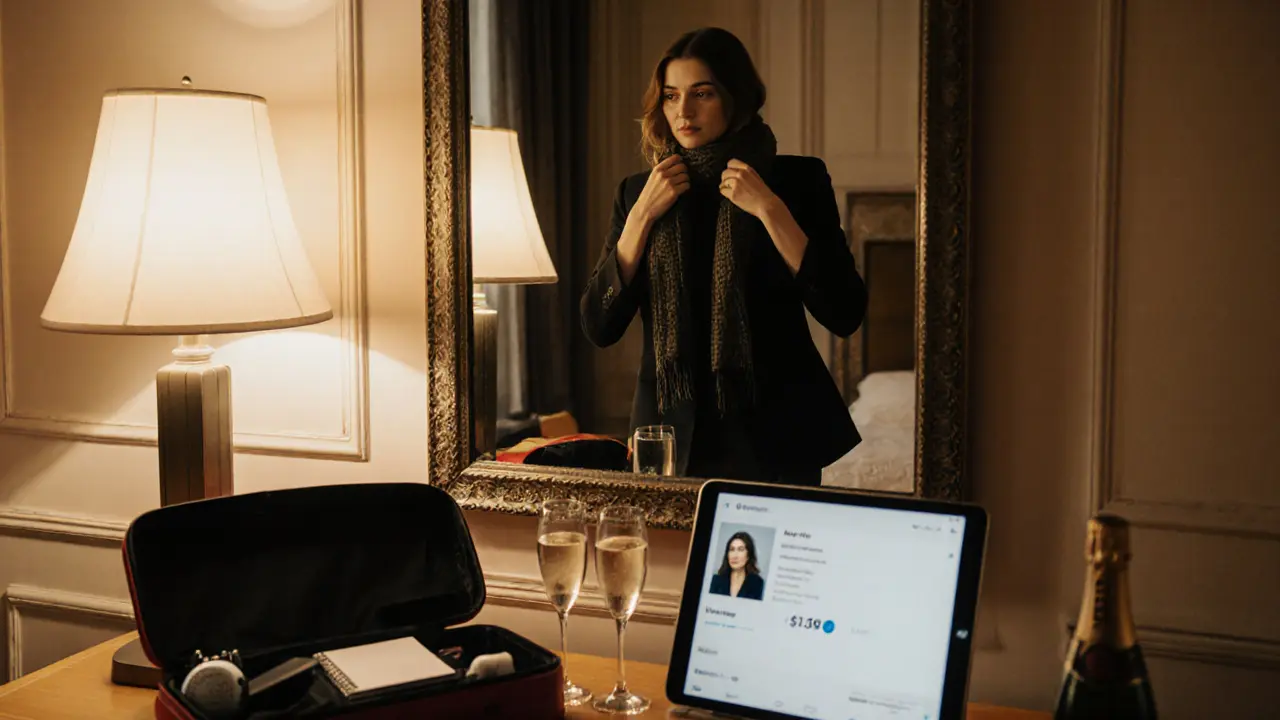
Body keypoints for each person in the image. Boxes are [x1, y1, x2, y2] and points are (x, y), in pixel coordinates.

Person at [579, 27, 866, 486]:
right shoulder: (641, 191)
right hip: (669, 439)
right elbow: (599, 324)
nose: (683, 111)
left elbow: (844, 310)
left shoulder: (795, 181)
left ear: (737, 98)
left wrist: (770, 210)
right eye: (671, 96)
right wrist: (639, 221)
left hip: (774, 436)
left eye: (702, 94)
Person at [708, 532, 765, 600]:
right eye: (732, 549)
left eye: (740, 549)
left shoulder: (758, 584)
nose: (735, 556)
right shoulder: (715, 580)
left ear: (748, 556)